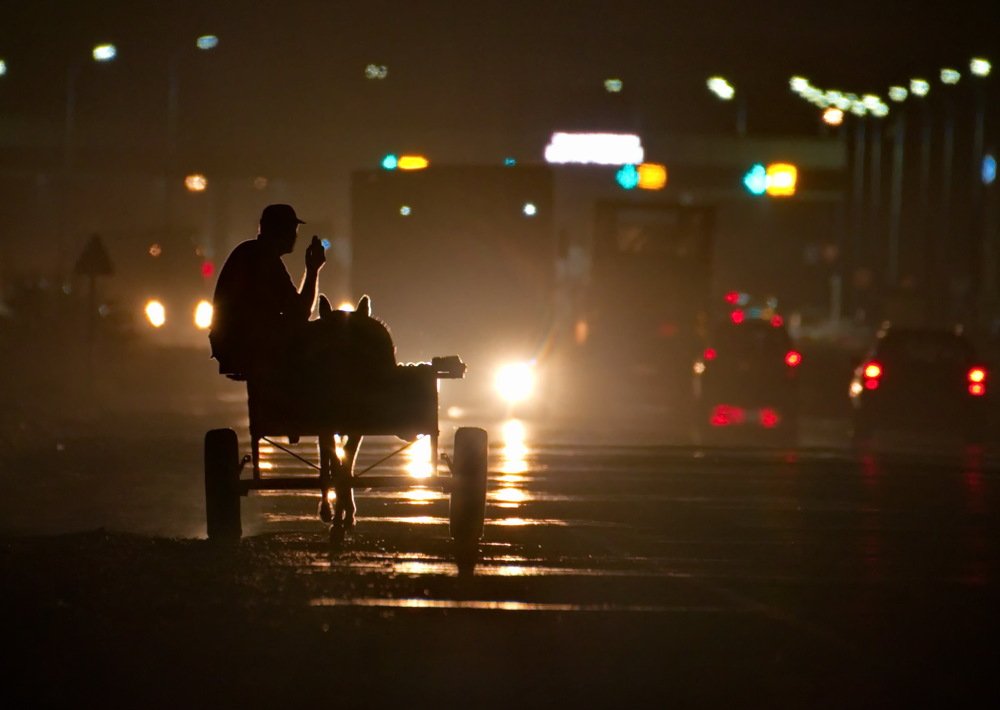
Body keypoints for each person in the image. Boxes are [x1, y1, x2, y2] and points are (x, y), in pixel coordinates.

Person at [209, 203, 326, 377]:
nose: (294, 236)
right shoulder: (264, 259)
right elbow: (299, 313)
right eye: (290, 229)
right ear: (277, 231)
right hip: (247, 344)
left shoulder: (250, 251)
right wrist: (312, 270)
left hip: (230, 341)